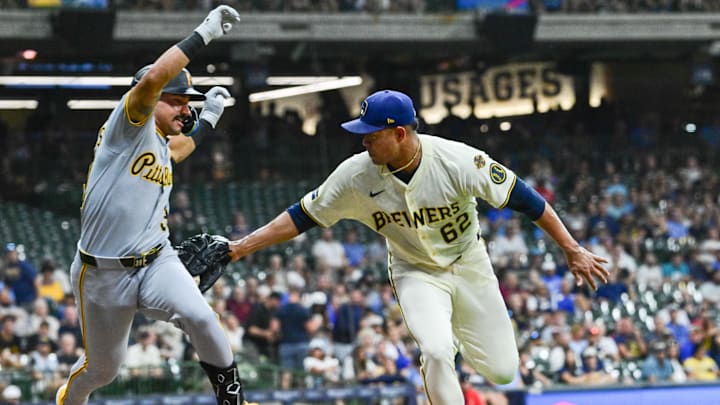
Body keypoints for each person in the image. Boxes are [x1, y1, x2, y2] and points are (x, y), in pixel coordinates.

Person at [226, 89, 610, 403]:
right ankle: (442, 340)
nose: (364, 140)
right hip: (415, 271)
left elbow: (526, 199)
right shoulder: (356, 174)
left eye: (372, 133)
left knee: (503, 370)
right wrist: (241, 247)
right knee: (437, 349)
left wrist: (572, 249)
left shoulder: (458, 160)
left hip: (469, 263)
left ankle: (455, 331)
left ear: (400, 134)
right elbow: (300, 216)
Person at [53, 6, 254, 405]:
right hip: (102, 274)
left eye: (188, 101)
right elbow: (155, 79)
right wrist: (204, 33)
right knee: (102, 370)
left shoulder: (159, 142)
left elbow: (181, 146)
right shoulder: (128, 125)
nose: (186, 107)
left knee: (201, 317)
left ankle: (234, 402)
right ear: (150, 96)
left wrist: (210, 116)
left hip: (156, 260)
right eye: (177, 100)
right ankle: (68, 400)